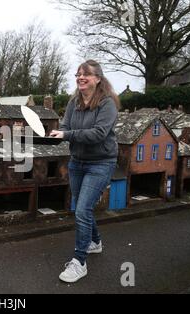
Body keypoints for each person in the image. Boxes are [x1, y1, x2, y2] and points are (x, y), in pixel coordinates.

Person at [50, 60, 119, 283]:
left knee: (81, 210)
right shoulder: (73, 102)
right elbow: (65, 126)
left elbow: (99, 133)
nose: (80, 77)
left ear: (98, 78)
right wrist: (58, 134)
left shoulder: (107, 104)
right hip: (77, 161)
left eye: (86, 74)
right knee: (83, 208)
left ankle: (79, 262)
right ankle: (95, 242)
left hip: (100, 162)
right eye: (78, 74)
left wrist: (67, 135)